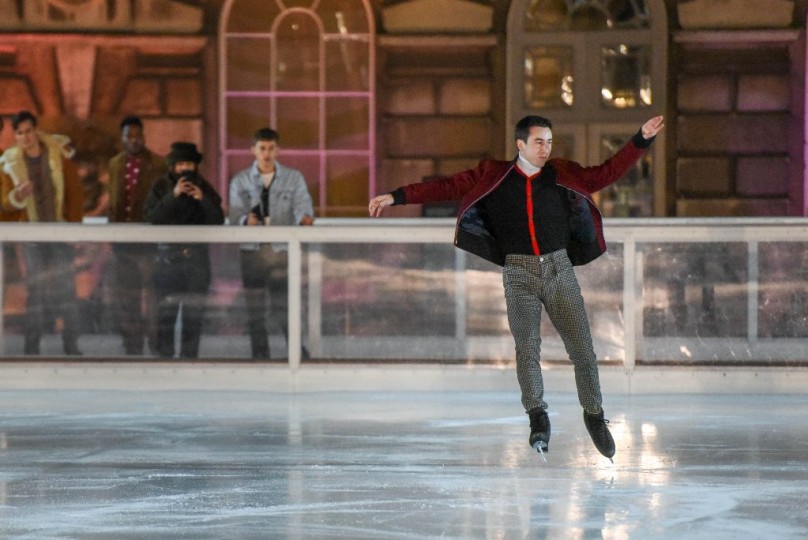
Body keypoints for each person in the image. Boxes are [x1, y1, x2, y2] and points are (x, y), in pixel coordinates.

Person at [369, 115, 665, 460]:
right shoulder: (494, 175)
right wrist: (396, 196)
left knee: (583, 349)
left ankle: (594, 415)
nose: (545, 149)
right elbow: (446, 186)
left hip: (558, 269)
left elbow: (606, 173)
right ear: (520, 144)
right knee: (527, 349)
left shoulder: (562, 173)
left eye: (549, 142)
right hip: (518, 273)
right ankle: (537, 417)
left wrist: (641, 139)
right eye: (539, 142)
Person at [0, 110, 85, 355]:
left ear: (36, 131)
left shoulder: (58, 155)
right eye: (20, 133)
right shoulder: (10, 163)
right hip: (32, 236)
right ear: (15, 136)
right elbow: (5, 202)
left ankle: (71, 344)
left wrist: (74, 230)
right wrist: (17, 196)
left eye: (28, 131)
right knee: (35, 290)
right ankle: (32, 347)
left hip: (60, 232)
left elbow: (74, 195)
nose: (25, 137)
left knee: (66, 289)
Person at [228, 128, 314, 359]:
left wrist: (304, 218)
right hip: (252, 251)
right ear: (253, 150)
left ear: (278, 150)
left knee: (284, 305)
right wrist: (246, 220)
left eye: (271, 148)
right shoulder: (240, 181)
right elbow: (234, 216)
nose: (266, 154)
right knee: (255, 308)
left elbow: (302, 205)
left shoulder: (293, 178)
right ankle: (260, 354)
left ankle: (296, 351)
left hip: (281, 250)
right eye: (262, 148)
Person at [143, 142, 223, 359]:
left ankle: (189, 361)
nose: (185, 169)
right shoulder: (160, 186)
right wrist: (173, 195)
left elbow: (217, 219)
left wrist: (202, 199)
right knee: (165, 315)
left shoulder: (203, 187)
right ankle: (164, 360)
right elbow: (152, 217)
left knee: (194, 316)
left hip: (197, 260)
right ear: (173, 166)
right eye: (180, 164)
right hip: (167, 260)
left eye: (189, 164)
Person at [107, 115, 166, 355]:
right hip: (123, 242)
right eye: (129, 136)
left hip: (149, 242)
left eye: (138, 135)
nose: (134, 140)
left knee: (152, 295)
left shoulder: (158, 164)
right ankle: (132, 346)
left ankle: (155, 343)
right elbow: (114, 202)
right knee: (127, 296)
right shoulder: (115, 164)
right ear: (121, 138)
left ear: (144, 136)